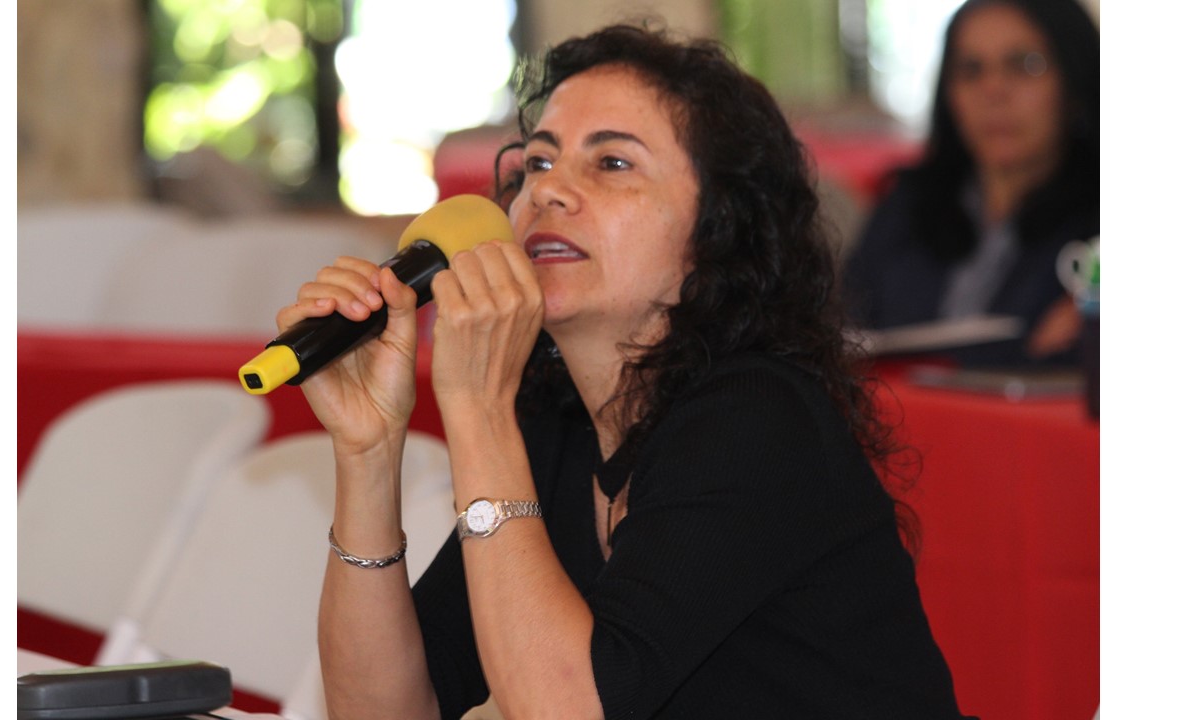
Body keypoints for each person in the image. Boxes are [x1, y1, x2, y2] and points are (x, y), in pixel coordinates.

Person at [281, 22, 973, 719]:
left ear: (717, 231)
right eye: (537, 163)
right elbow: (385, 712)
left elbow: (568, 711)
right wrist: (368, 453)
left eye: (612, 163)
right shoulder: (555, 426)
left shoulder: (759, 416)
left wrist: (479, 410)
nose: (549, 192)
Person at [843, 0, 1100, 366]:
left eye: (1024, 65)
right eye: (971, 70)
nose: (993, 90)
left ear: (1075, 80)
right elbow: (837, 332)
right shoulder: (906, 206)